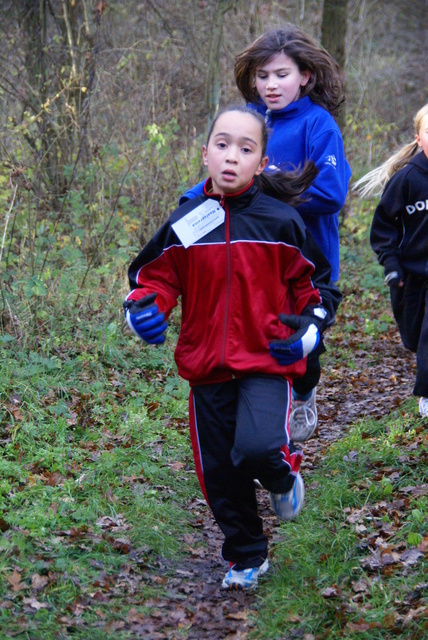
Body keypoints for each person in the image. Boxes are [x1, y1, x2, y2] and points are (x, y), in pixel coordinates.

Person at [124, 106, 341, 591]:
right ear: (205, 154)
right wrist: (142, 311)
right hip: (206, 368)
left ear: (261, 163)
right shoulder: (186, 222)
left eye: (246, 149)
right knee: (219, 471)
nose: (231, 156)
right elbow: (150, 279)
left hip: (267, 359)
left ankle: (283, 477)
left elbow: (319, 288)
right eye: (222, 145)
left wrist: (308, 332)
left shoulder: (282, 221)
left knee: (260, 446)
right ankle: (247, 554)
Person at [180, 25, 351, 442]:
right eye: (262, 76)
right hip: (254, 257)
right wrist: (188, 204)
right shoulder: (249, 121)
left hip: (310, 261)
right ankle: (260, 432)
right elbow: (223, 175)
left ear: (305, 76)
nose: (271, 85)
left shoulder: (318, 124)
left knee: (303, 341)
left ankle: (305, 391)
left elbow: (331, 192)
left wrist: (265, 188)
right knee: (258, 341)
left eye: (281, 74)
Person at [354, 103, 428, 417]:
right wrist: (392, 264)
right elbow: (384, 227)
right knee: (414, 336)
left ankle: (426, 393)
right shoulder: (407, 180)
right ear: (418, 138)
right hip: (411, 275)